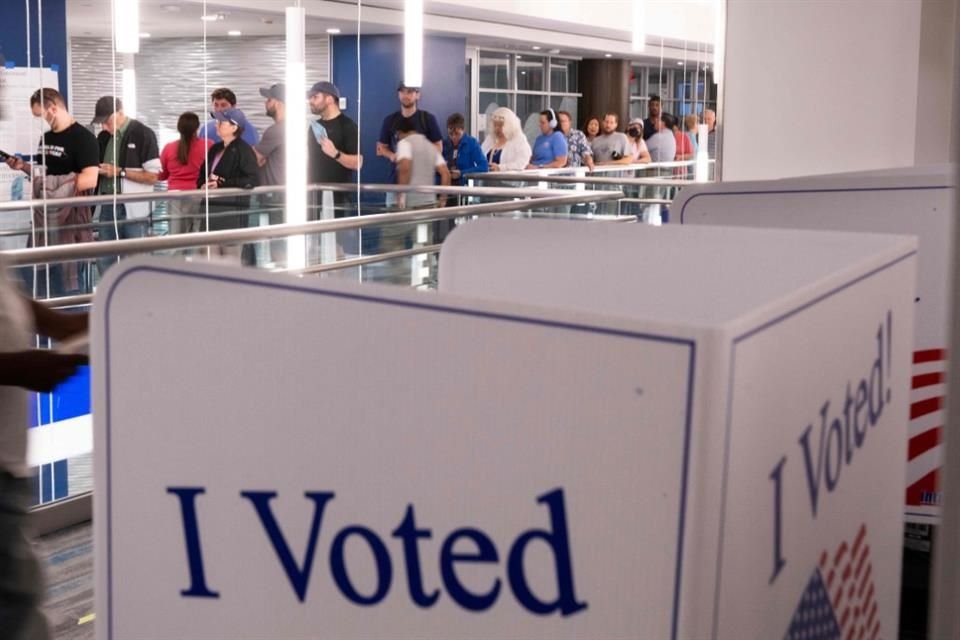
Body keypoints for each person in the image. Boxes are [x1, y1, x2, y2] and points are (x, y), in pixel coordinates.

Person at [0, 252, 88, 640]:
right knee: (19, 610)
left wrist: (130, 307)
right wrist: (19, 368)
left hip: (9, 467)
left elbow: (58, 324)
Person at [5, 88, 99, 296]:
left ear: (53, 109)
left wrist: (53, 189)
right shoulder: (45, 138)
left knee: (68, 284)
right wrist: (23, 167)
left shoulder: (84, 139)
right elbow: (43, 176)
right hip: (44, 219)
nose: (43, 121)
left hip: (70, 220)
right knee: (42, 277)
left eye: (42, 115)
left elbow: (90, 178)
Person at [91, 96, 161, 276]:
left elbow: (153, 176)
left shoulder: (143, 134)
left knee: (136, 260)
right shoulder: (104, 137)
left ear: (120, 113)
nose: (104, 127)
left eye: (107, 122)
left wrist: (119, 172)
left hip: (133, 208)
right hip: (107, 205)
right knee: (105, 259)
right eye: (101, 123)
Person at [196, 108, 259, 258]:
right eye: (217, 121)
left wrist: (222, 184)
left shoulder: (244, 151)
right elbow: (201, 175)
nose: (216, 125)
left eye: (221, 122)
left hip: (231, 216)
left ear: (234, 127)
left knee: (230, 262)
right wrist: (203, 184)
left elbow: (252, 180)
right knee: (208, 261)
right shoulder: (215, 149)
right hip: (210, 213)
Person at [376, 82, 442, 206]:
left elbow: (439, 147)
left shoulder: (427, 119)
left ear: (418, 95)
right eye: (403, 91)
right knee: (394, 223)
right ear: (398, 94)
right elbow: (381, 147)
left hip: (422, 186)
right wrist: (392, 156)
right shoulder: (389, 120)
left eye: (410, 92)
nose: (406, 95)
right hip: (395, 185)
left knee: (422, 224)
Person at [306, 81, 362, 215]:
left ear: (330, 99)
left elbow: (358, 163)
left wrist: (335, 154)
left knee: (336, 235)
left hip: (339, 200)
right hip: (313, 198)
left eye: (315, 97)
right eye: (310, 98)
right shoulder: (313, 127)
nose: (310, 101)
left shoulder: (348, 126)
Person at [159, 112, 212, 235]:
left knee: (176, 237)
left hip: (175, 196)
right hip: (199, 194)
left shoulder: (169, 148)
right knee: (198, 234)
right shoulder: (208, 145)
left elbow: (161, 176)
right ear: (197, 127)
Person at [395, 116, 451, 209]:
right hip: (429, 202)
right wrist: (443, 199)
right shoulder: (430, 146)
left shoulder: (404, 143)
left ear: (400, 132)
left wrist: (401, 194)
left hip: (411, 203)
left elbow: (405, 168)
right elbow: (446, 173)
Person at [480, 107, 531, 172]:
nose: (497, 129)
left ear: (509, 125)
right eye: (495, 125)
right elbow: (480, 154)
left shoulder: (518, 139)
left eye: (500, 126)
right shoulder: (490, 138)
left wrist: (501, 167)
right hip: (488, 180)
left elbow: (522, 162)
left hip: (509, 181)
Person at [442, 113, 488, 185]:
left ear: (463, 130)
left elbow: (484, 166)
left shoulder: (472, 143)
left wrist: (462, 173)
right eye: (450, 134)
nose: (453, 137)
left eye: (457, 134)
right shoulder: (444, 144)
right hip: (447, 186)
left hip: (465, 186)